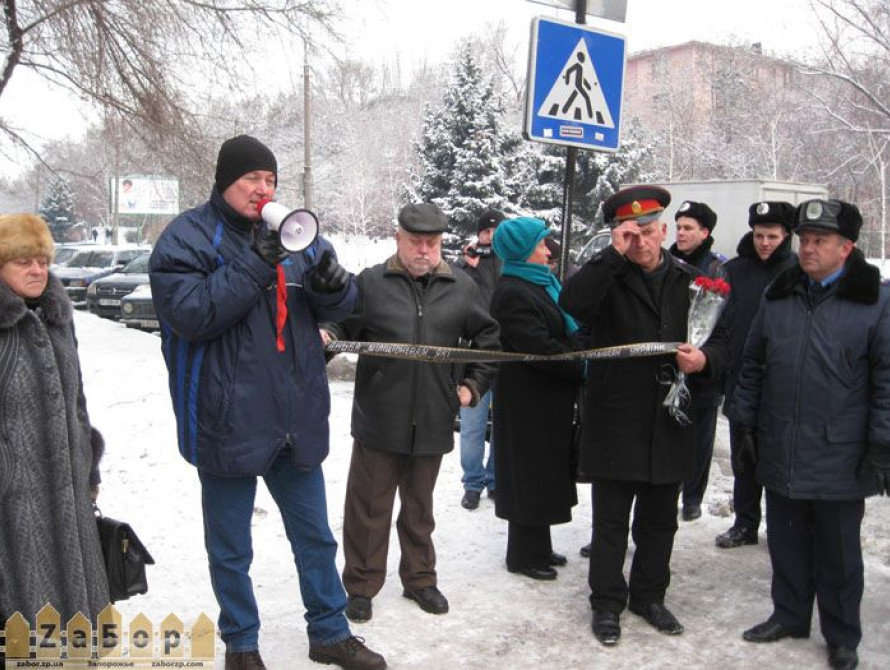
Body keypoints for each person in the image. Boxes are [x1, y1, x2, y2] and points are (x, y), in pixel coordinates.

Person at [149, 135, 385, 670]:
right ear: (223, 182)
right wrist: (256, 262)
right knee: (231, 548)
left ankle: (329, 632)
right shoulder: (185, 240)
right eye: (250, 179)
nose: (263, 190)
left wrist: (335, 288)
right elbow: (193, 315)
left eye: (271, 180)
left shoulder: (294, 233)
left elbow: (343, 304)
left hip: (294, 418)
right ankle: (241, 644)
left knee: (315, 538)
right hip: (226, 419)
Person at [560, 185, 728, 647]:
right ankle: (607, 603)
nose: (643, 242)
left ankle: (650, 595)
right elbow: (571, 304)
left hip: (669, 418)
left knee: (660, 519)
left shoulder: (692, 281)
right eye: (632, 234)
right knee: (611, 521)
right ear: (619, 236)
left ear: (665, 230)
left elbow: (723, 340)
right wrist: (612, 256)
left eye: (650, 232)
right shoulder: (606, 276)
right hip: (616, 416)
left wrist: (705, 360)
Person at [729, 199, 890, 670]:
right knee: (787, 539)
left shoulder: (876, 302)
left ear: (848, 248)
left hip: (842, 451)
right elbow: (753, 364)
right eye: (804, 240)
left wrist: (882, 446)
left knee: (839, 553)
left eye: (820, 241)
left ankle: (842, 635)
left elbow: (887, 380)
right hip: (781, 443)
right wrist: (744, 424)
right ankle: (789, 615)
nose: (808, 249)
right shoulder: (779, 294)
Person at [323, 202, 499, 624]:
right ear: (398, 238)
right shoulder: (370, 283)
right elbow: (343, 328)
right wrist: (328, 334)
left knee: (420, 509)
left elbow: (489, 338)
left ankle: (420, 579)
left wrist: (471, 387)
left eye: (432, 242)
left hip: (435, 417)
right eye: (416, 241)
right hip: (379, 417)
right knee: (368, 508)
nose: (424, 250)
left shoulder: (461, 286)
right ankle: (362, 586)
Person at [0, 214, 110, 626]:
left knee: (75, 602)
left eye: (43, 261)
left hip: (68, 486)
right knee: (22, 603)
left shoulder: (57, 317)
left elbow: (76, 398)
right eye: (23, 261)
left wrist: (88, 465)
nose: (36, 270)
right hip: (13, 500)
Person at [490, 217, 585, 580]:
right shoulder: (513, 291)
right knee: (528, 475)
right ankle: (523, 556)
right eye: (542, 245)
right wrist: (581, 363)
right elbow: (539, 347)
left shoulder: (541, 284)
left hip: (546, 400)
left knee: (544, 474)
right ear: (522, 251)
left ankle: (539, 548)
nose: (549, 251)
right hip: (527, 402)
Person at [715, 201, 797, 549]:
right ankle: (745, 523)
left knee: (780, 456)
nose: (765, 242)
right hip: (742, 377)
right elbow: (721, 319)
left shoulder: (798, 271)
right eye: (760, 235)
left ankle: (786, 528)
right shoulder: (735, 270)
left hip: (783, 379)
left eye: (772, 236)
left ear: (786, 236)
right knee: (743, 456)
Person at [668, 200, 726, 521]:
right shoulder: (666, 260)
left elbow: (721, 319)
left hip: (702, 369)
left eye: (688, 228)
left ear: (705, 232)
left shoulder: (716, 268)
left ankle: (692, 497)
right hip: (669, 361)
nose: (681, 233)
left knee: (700, 437)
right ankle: (670, 487)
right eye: (679, 227)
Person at [454, 208, 504, 510]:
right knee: (472, 424)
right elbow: (455, 294)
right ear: (478, 234)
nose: (491, 238)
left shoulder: (509, 263)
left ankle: (496, 479)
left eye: (497, 232)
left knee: (502, 425)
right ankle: (472, 482)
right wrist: (469, 265)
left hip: (506, 353)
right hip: (475, 354)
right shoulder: (465, 264)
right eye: (487, 232)